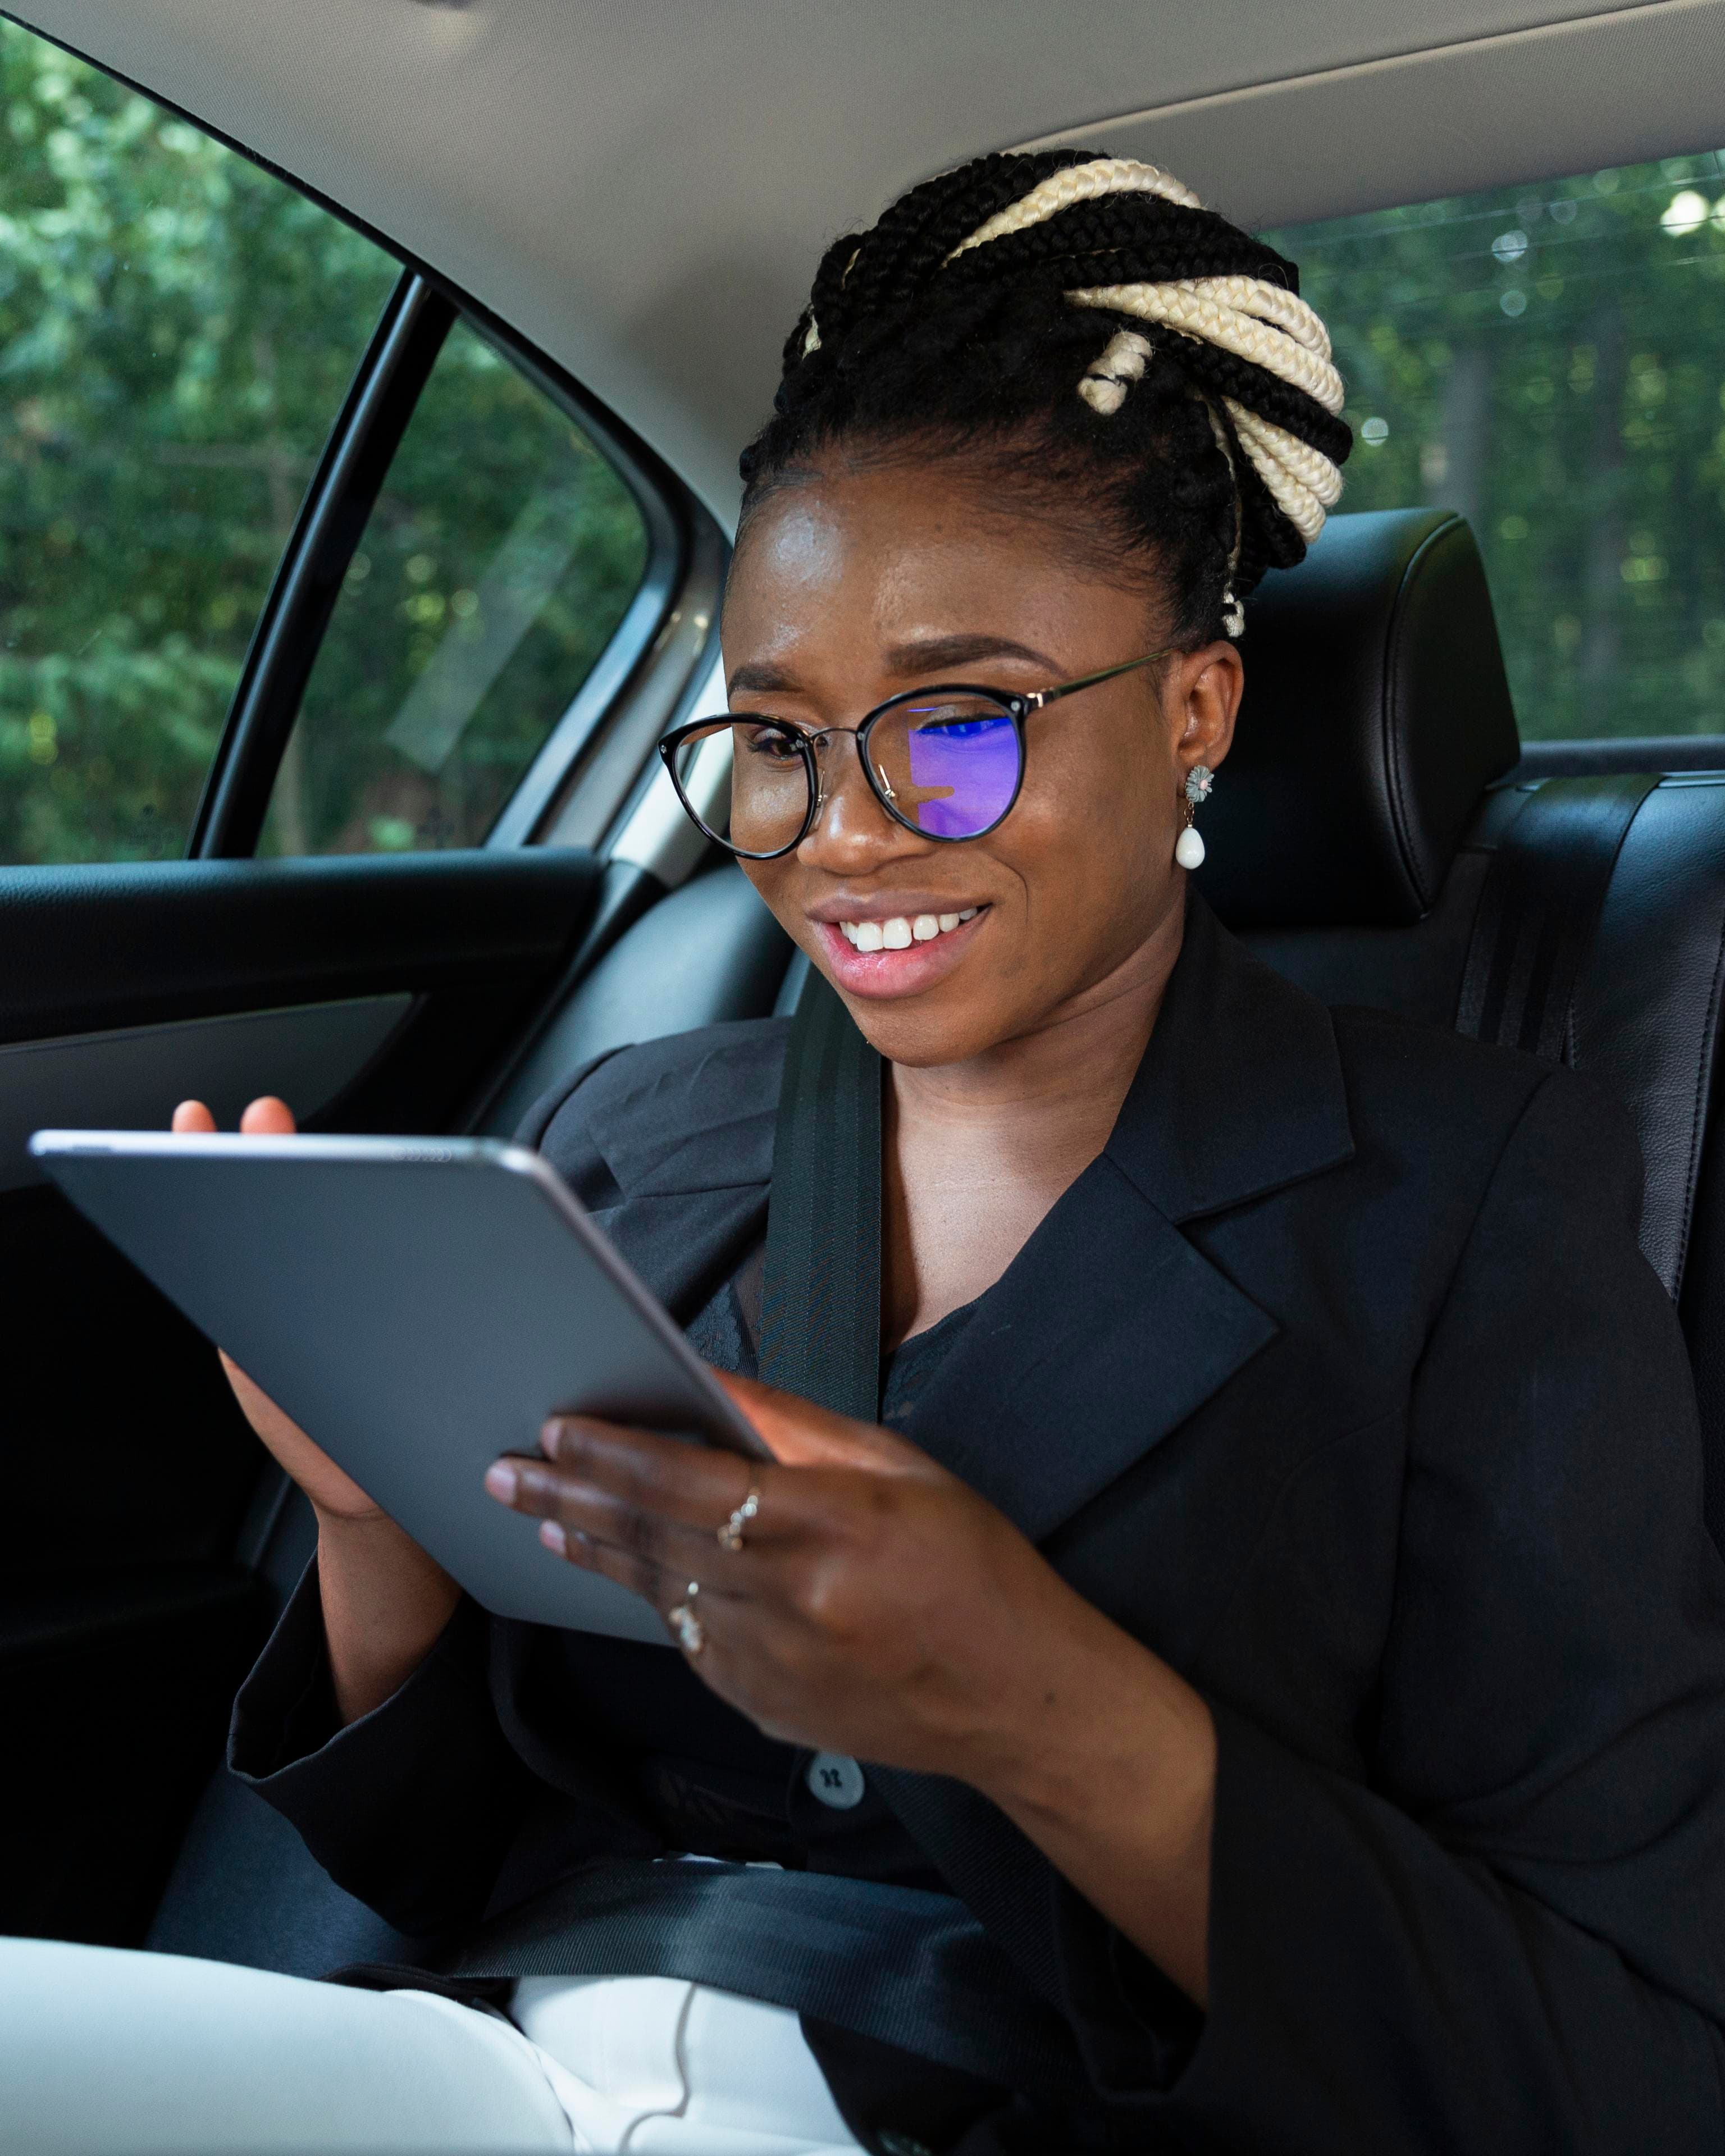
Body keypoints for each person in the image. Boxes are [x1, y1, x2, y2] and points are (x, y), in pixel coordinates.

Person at [6, 148, 1725, 2156]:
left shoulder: (1472, 1198)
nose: (839, 830)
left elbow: (1621, 2065)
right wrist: (379, 1530)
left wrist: (1026, 1697)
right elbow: (450, 1852)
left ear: (1196, 707)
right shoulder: (643, 1131)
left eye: (962, 722)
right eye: (776, 733)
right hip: (488, 2068)